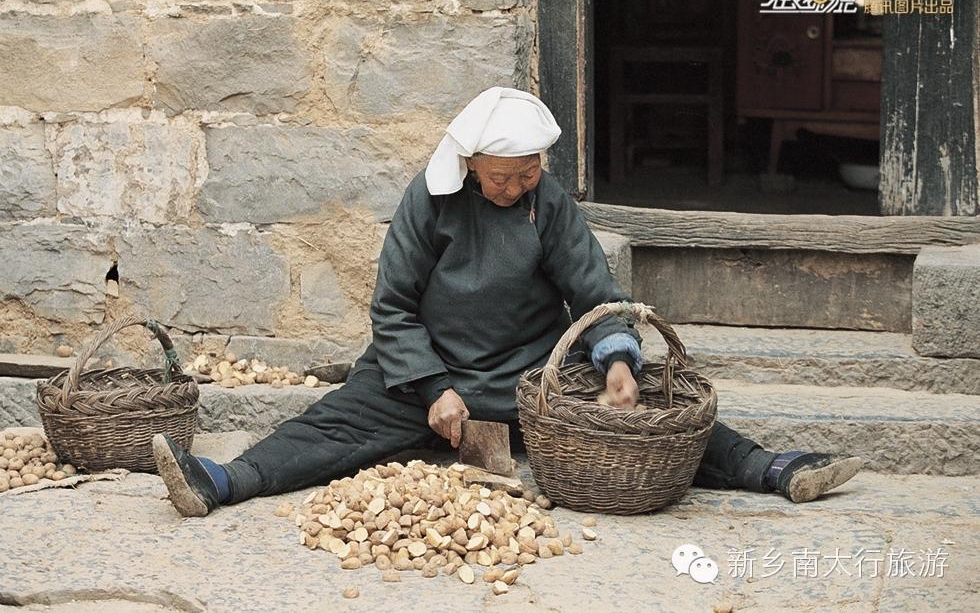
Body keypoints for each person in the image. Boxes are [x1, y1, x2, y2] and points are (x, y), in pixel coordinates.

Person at [153, 87, 862, 517]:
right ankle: (224, 479)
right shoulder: (429, 202)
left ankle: (773, 469)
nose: (515, 188)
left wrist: (618, 362)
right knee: (333, 426)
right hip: (423, 374)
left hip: (530, 376)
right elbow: (393, 307)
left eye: (527, 175)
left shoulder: (546, 204)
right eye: (501, 178)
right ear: (469, 165)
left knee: (646, 416)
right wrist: (432, 387)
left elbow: (594, 291)